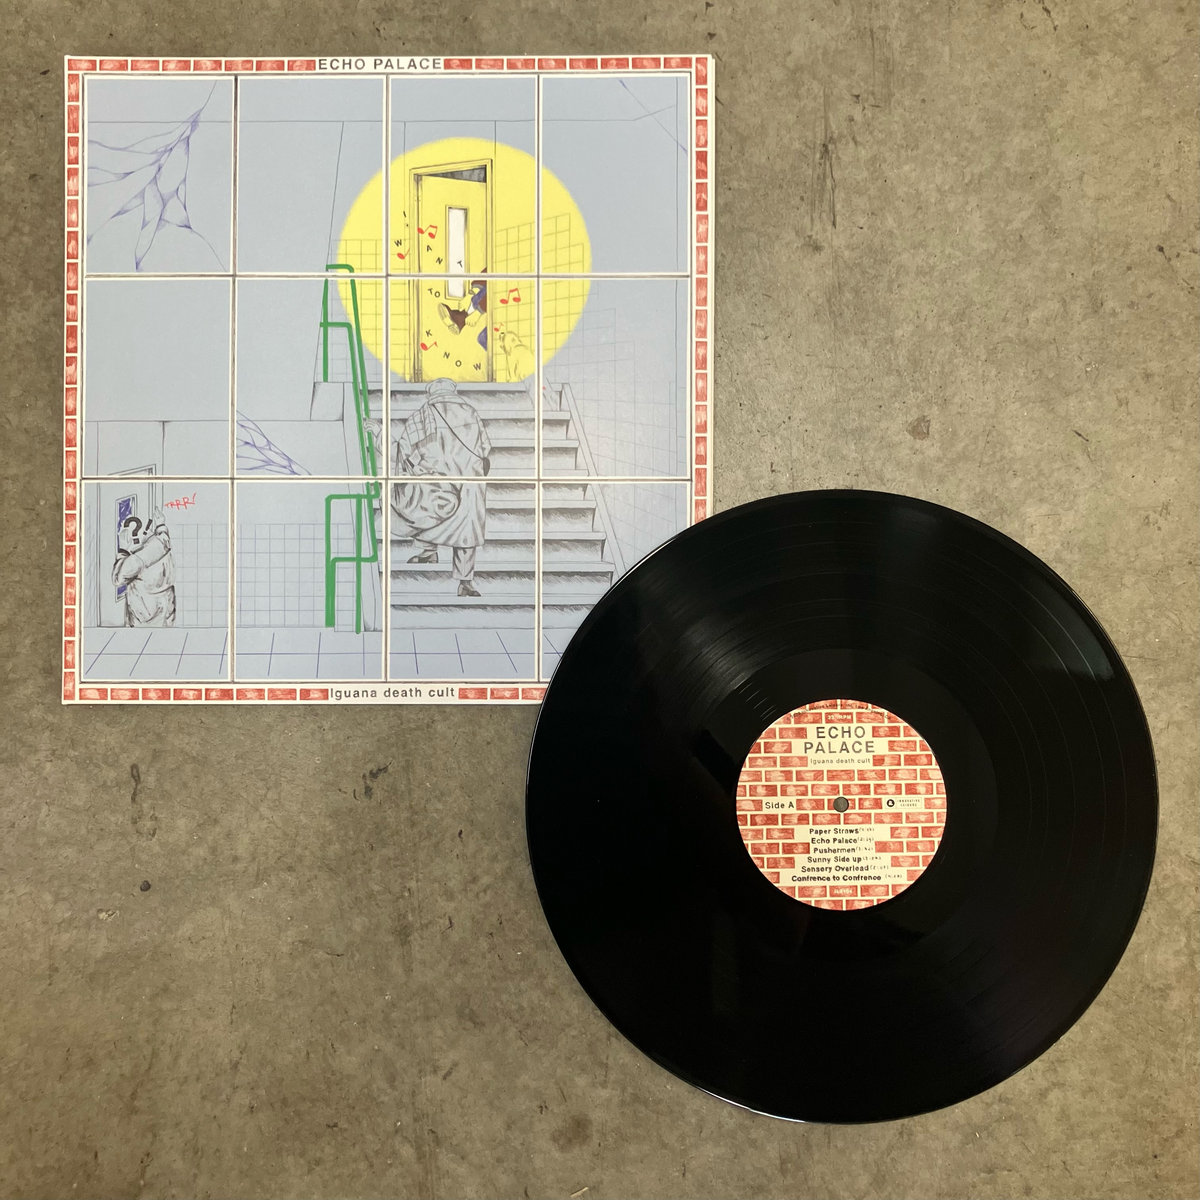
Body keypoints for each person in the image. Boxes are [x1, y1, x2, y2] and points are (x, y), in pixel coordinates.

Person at [391, 378, 491, 597]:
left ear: (431, 393)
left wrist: (419, 468)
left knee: (426, 512)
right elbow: (485, 447)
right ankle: (465, 582)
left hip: (436, 480)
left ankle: (428, 552)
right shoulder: (471, 412)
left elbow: (405, 449)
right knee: (466, 532)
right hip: (469, 482)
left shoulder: (422, 413)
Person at [111, 508, 176, 627]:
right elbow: (163, 536)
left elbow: (118, 578)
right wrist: (161, 525)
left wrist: (123, 551)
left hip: (146, 615)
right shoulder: (162, 541)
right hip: (165, 608)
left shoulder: (140, 558)